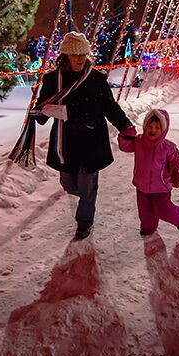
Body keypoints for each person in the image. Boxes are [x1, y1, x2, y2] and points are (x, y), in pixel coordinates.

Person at [32, 31, 135, 240]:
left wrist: (125, 126)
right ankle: (82, 199)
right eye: (75, 54)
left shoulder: (96, 79)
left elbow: (110, 107)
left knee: (88, 186)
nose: (79, 59)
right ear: (66, 56)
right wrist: (39, 114)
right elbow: (42, 107)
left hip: (92, 141)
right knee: (69, 184)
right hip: (66, 143)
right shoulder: (53, 80)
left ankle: (84, 222)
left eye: (83, 54)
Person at [118, 109, 179, 236]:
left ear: (163, 130)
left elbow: (178, 161)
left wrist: (177, 170)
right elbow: (125, 146)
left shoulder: (168, 147)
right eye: (149, 126)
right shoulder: (138, 141)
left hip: (161, 188)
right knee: (145, 212)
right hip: (141, 186)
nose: (152, 130)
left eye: (157, 127)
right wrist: (125, 135)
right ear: (145, 126)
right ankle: (148, 227)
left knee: (164, 211)